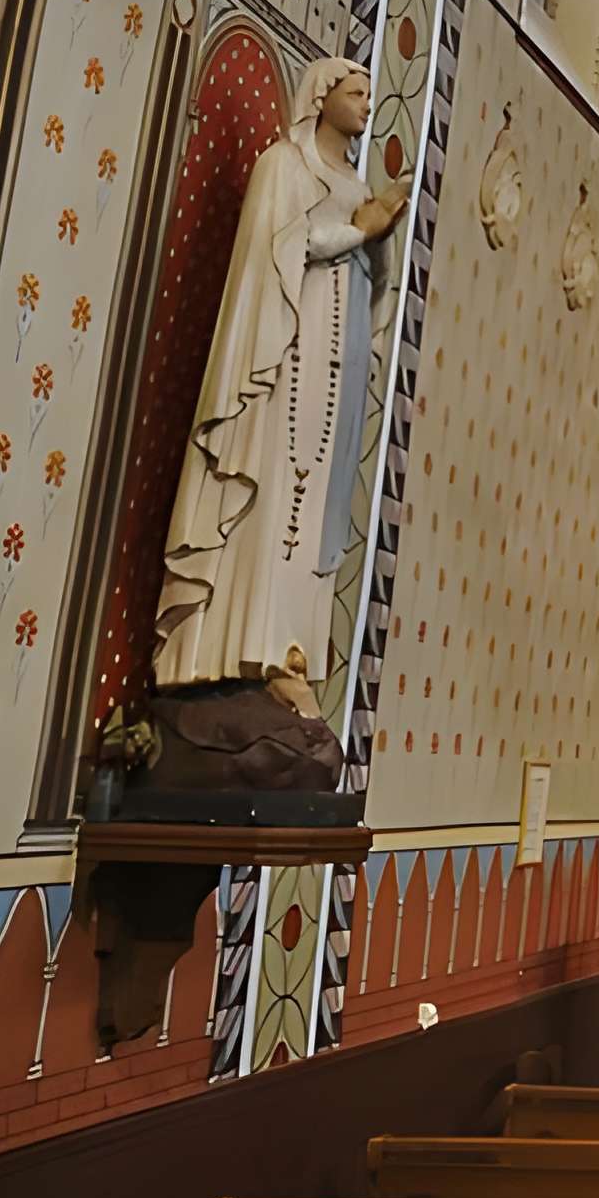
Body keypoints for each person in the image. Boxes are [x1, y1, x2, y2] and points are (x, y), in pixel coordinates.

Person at [154, 57, 406, 714]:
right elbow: (279, 249)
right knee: (265, 503)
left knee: (313, 515)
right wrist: (361, 230)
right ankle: (236, 650)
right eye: (356, 92)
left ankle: (291, 654)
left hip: (334, 383)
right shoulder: (282, 168)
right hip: (276, 372)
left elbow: (372, 288)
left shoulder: (353, 185)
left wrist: (380, 238)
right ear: (322, 97)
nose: (366, 105)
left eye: (370, 94)